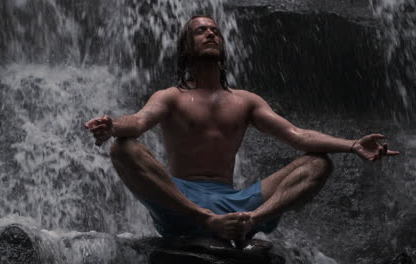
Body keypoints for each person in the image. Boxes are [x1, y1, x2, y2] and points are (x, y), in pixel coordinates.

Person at [84, 15, 399, 245]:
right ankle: (207, 220)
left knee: (318, 163)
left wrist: (353, 144)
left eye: (215, 31)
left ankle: (251, 222)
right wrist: (113, 126)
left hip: (236, 203)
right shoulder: (170, 97)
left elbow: (296, 135)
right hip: (180, 201)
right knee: (123, 147)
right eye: (201, 31)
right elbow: (138, 123)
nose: (211, 35)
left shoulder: (245, 101)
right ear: (186, 46)